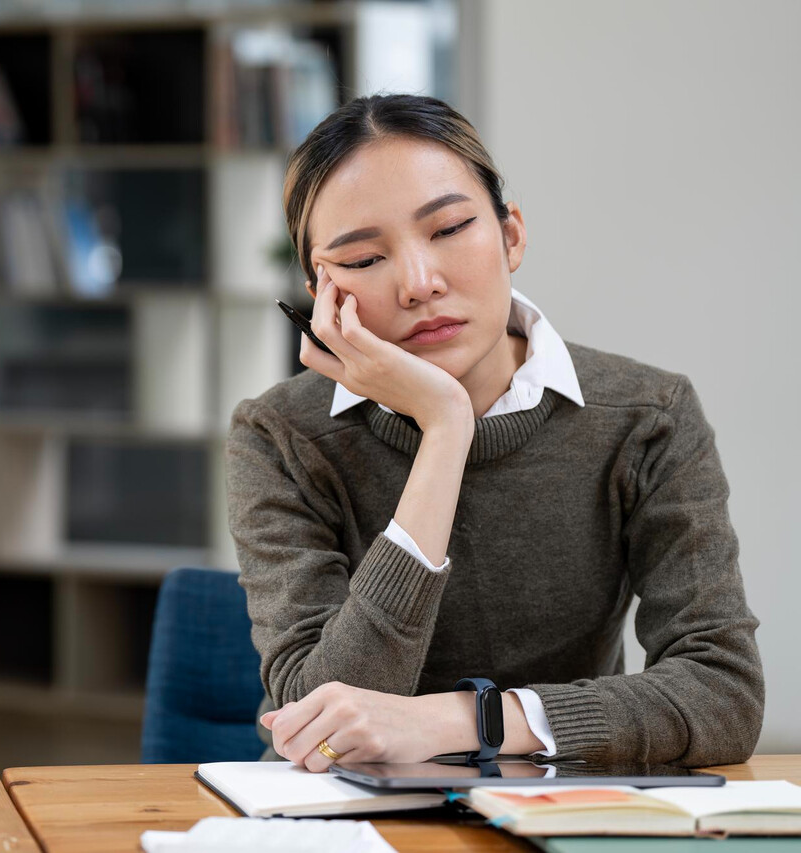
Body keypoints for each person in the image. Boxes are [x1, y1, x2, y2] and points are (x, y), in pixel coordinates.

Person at [225, 93, 763, 772]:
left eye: (448, 228)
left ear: (511, 235)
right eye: (363, 260)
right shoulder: (279, 435)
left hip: (564, 814)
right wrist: (445, 429)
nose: (419, 283)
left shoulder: (649, 416)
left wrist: (463, 719)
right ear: (321, 292)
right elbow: (322, 722)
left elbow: (724, 693)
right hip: (343, 823)